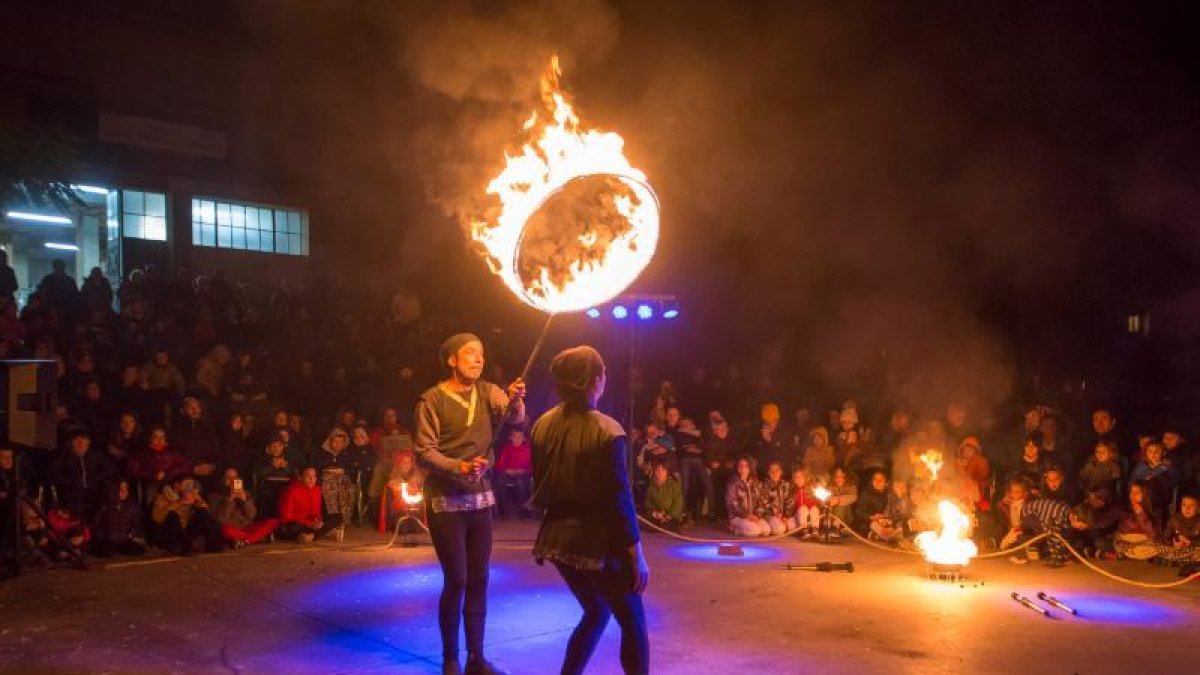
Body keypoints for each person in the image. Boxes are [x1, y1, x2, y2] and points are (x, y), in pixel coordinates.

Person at [530, 345, 648, 675]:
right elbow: (619, 498)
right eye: (604, 372)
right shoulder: (607, 430)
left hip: (555, 537)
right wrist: (635, 552)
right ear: (596, 379)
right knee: (633, 621)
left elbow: (540, 481)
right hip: (595, 542)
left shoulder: (542, 424)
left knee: (596, 612)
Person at [413, 333, 525, 675]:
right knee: (457, 580)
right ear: (451, 360)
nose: (478, 359)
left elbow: (516, 418)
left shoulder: (488, 391)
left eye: (481, 354)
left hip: (479, 500)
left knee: (479, 579)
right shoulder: (430, 400)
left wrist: (517, 399)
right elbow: (424, 451)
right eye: (470, 353)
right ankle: (451, 659)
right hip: (446, 500)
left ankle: (476, 658)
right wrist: (457, 466)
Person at [152, 475, 224, 555]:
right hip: (170, 532)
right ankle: (180, 546)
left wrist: (198, 500)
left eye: (191, 485)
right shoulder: (163, 496)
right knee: (173, 515)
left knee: (203, 512)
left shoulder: (191, 494)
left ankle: (213, 543)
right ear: (177, 485)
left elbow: (207, 512)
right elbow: (157, 517)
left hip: (186, 529)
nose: (189, 487)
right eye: (186, 484)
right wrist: (178, 503)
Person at [210, 468, 278, 547]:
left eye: (235, 478)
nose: (232, 480)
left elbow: (252, 515)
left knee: (273, 522)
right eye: (229, 478)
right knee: (225, 530)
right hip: (232, 528)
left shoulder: (245, 493)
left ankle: (244, 541)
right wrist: (230, 500)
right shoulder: (215, 496)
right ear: (223, 480)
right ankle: (254, 538)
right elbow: (221, 519)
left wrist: (245, 501)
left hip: (246, 527)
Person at [277, 467, 340, 542]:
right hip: (297, 523)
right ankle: (323, 533)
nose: (312, 479)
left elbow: (316, 511)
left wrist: (317, 520)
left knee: (337, 517)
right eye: (308, 476)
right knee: (294, 527)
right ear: (300, 477)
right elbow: (286, 518)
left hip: (311, 523)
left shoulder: (317, 490)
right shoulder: (290, 491)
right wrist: (310, 524)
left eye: (314, 476)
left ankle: (312, 536)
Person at [89, 479, 146, 558]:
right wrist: (101, 536)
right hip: (108, 539)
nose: (125, 492)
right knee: (108, 551)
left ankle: (119, 548)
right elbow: (95, 524)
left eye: (126, 489)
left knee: (138, 550)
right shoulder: (104, 505)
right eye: (121, 490)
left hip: (123, 539)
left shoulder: (131, 506)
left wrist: (132, 534)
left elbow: (136, 523)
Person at [493, 427, 532, 520]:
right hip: (509, 473)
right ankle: (502, 511)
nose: (517, 439)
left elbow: (532, 466)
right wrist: (507, 470)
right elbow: (500, 464)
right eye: (515, 437)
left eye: (520, 437)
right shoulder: (507, 449)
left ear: (524, 439)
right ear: (511, 438)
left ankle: (523, 511)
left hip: (523, 474)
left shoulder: (528, 450)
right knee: (499, 482)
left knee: (520, 484)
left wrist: (522, 471)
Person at [725, 457, 769, 536]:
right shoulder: (733, 483)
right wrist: (747, 516)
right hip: (737, 517)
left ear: (750, 468)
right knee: (755, 531)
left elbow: (761, 501)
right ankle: (734, 529)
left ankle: (751, 526)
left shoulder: (755, 483)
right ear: (737, 467)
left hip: (753, 516)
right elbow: (732, 504)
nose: (743, 468)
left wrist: (757, 515)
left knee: (766, 530)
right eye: (740, 466)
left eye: (746, 466)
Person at [643, 461, 683, 531]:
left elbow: (678, 504)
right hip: (658, 515)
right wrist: (655, 513)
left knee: (671, 525)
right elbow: (648, 504)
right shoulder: (651, 486)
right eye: (658, 470)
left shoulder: (674, 485)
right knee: (647, 525)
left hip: (671, 516)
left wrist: (668, 516)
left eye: (663, 470)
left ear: (667, 472)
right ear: (654, 472)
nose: (660, 473)